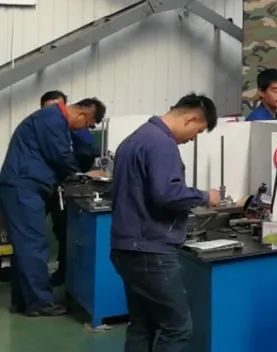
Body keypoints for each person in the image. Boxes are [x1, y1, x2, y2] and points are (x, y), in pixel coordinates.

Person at [110, 94, 222, 352]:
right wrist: (206, 197)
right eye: (198, 131)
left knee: (142, 324)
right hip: (151, 251)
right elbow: (167, 193)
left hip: (126, 247)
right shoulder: (162, 144)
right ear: (190, 119)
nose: (193, 138)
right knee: (177, 328)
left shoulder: (135, 138)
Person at [0, 97, 106, 316]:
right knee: (34, 244)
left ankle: (24, 301)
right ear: (82, 115)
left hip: (24, 186)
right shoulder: (53, 120)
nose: (84, 130)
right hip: (24, 187)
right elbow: (61, 156)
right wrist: (83, 175)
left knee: (24, 245)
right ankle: (40, 302)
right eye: (87, 125)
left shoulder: (53, 120)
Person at [39, 90, 101, 287]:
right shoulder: (40, 127)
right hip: (41, 185)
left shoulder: (78, 130)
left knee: (64, 230)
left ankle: (64, 272)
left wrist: (77, 175)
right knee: (30, 231)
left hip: (63, 187)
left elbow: (87, 153)